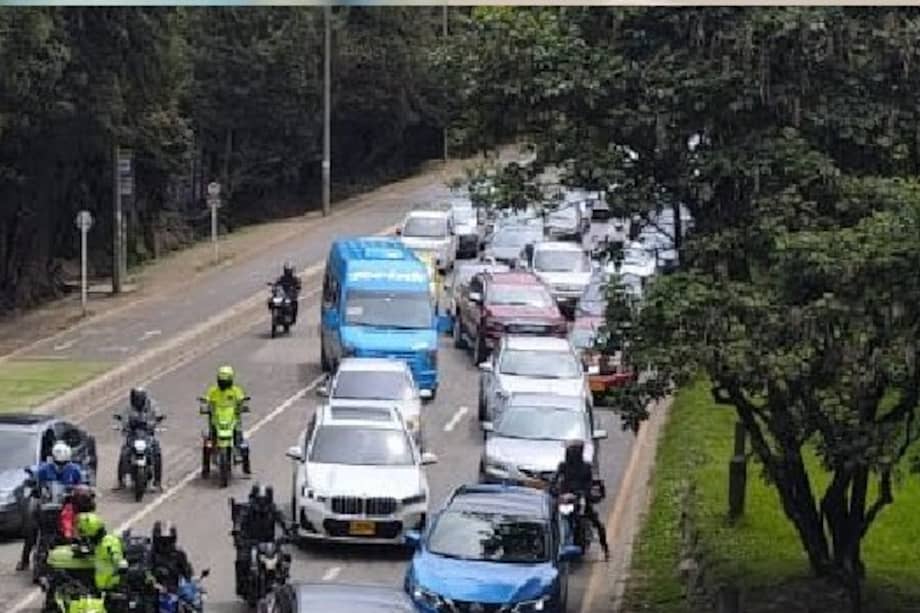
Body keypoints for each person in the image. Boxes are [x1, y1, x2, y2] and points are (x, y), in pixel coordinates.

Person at [17, 441, 86, 571]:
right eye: (58, 463)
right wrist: (33, 486)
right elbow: (35, 481)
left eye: (64, 463)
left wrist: (82, 492)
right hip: (47, 505)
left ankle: (82, 554)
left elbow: (83, 485)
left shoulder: (75, 470)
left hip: (67, 506)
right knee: (31, 528)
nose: (61, 466)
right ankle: (24, 560)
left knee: (82, 524)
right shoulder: (44, 469)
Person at [230, 484, 291, 599]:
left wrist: (289, 530)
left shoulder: (273, 508)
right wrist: (237, 531)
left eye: (264, 500)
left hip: (269, 543)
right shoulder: (247, 509)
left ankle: (283, 581)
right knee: (243, 561)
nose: (262, 503)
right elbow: (239, 520)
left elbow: (282, 519)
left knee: (284, 558)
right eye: (259, 500)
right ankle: (243, 587)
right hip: (250, 543)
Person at [553, 439, 609, 560]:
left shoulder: (586, 467)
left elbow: (589, 483)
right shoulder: (563, 466)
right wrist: (558, 493)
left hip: (582, 499)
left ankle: (605, 549)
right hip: (567, 500)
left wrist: (584, 493)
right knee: (556, 519)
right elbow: (555, 481)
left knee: (598, 524)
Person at [116, 387, 164, 490]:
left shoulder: (152, 405)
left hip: (147, 434)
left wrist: (151, 423)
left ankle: (157, 481)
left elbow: (156, 417)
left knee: (157, 452)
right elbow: (124, 419)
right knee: (124, 452)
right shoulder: (128, 407)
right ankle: (121, 481)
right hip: (133, 434)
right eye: (136, 398)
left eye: (140, 398)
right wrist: (126, 425)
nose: (138, 401)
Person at [203, 365, 250, 473]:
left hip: (232, 420)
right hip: (217, 420)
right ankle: (206, 467)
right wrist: (206, 407)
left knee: (241, 440)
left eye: (225, 380)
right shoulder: (213, 391)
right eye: (222, 380)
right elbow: (207, 400)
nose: (223, 382)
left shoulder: (236, 391)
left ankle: (246, 466)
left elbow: (241, 400)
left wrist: (242, 407)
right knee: (208, 442)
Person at [75, 512, 125, 594]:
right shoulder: (99, 543)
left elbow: (118, 560)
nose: (86, 539)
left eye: (86, 536)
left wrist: (119, 563)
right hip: (102, 585)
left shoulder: (109, 544)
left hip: (110, 587)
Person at [149, 521, 194, 595]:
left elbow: (187, 573)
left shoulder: (179, 554)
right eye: (161, 541)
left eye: (167, 541)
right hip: (152, 592)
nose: (165, 544)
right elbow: (146, 571)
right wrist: (152, 582)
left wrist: (189, 581)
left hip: (173, 591)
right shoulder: (150, 554)